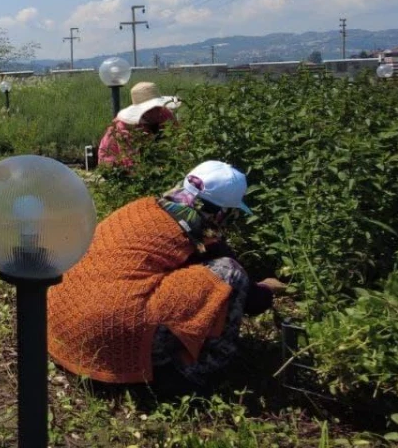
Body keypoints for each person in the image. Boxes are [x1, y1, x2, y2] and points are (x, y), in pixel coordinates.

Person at [47, 161, 287, 388]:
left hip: (62, 326)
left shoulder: (145, 207)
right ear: (223, 212)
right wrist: (267, 288)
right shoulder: (202, 232)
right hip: (105, 335)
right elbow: (253, 302)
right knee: (230, 272)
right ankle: (193, 374)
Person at [97, 81, 180, 170]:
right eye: (151, 108)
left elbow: (179, 137)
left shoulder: (163, 112)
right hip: (114, 165)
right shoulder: (126, 126)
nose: (157, 111)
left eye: (158, 106)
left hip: (149, 157)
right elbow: (130, 159)